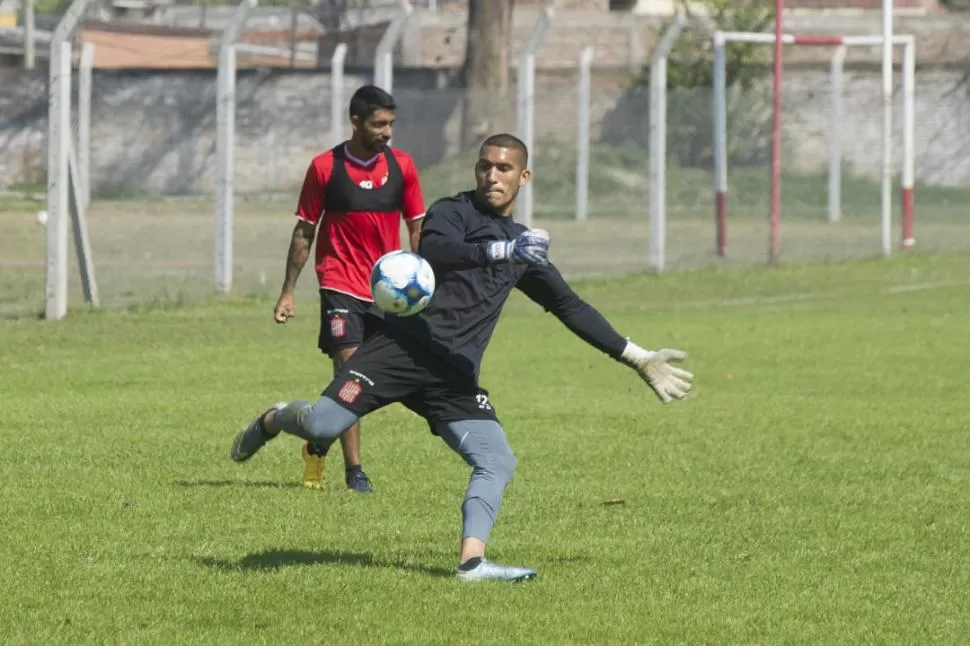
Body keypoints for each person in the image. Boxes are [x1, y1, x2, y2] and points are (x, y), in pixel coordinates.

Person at [233, 133, 694, 582]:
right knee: (321, 427)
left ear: (524, 177)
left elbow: (569, 307)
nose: (492, 175)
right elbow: (435, 249)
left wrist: (637, 357)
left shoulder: (522, 248)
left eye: (504, 168)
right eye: (485, 166)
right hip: (397, 351)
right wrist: (500, 250)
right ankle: (274, 419)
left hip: (452, 375)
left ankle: (472, 563)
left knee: (497, 460)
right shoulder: (453, 212)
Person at [272, 85, 426, 494]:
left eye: (390, 124)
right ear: (356, 121)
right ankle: (354, 471)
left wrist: (423, 280)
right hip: (339, 283)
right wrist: (289, 290)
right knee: (350, 369)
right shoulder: (325, 168)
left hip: (386, 290)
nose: (386, 132)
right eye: (378, 124)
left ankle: (315, 435)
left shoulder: (403, 167)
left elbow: (416, 227)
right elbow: (305, 231)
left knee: (370, 379)